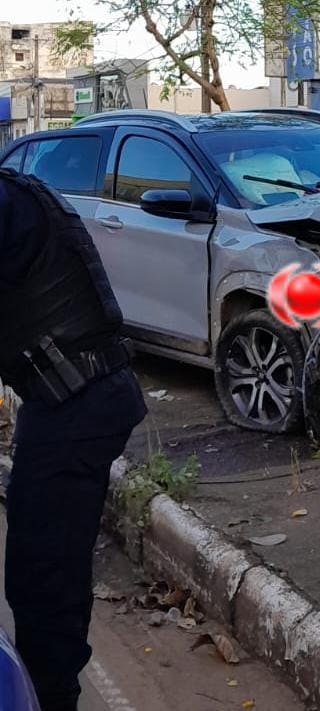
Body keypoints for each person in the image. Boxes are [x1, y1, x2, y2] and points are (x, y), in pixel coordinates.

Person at [0, 167, 147, 711]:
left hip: (76, 402)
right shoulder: (15, 191)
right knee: (43, 565)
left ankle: (52, 700)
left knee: (44, 576)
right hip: (69, 399)